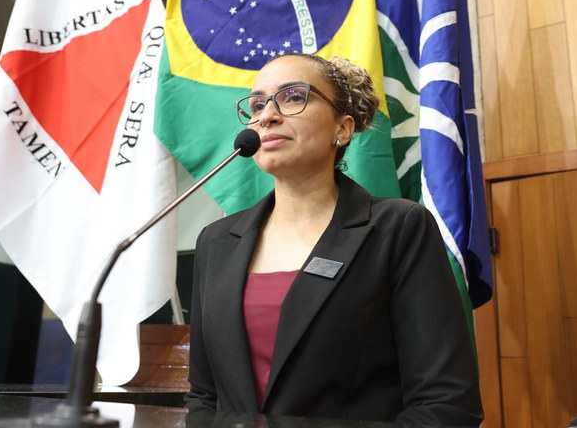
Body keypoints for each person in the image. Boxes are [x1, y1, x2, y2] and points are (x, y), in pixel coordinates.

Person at [185, 53, 483, 426]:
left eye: (293, 97)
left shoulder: (398, 228)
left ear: (342, 129)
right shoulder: (216, 242)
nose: (267, 116)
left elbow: (446, 404)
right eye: (258, 105)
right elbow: (204, 395)